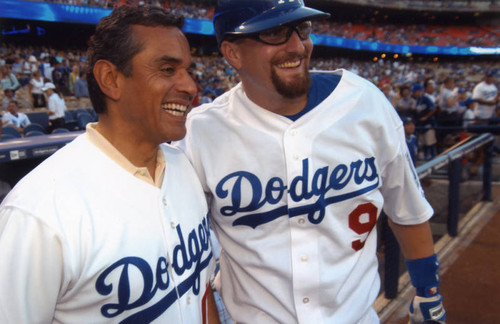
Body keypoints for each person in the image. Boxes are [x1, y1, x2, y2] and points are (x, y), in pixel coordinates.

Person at [174, 1, 446, 323]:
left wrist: (428, 288)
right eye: (275, 33)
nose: (297, 46)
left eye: (301, 29)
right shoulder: (201, 131)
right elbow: (189, 257)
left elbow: (407, 208)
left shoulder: (365, 103)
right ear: (233, 54)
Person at [0, 6, 219, 323]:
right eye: (168, 70)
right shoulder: (37, 212)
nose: (190, 87)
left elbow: (199, 290)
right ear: (110, 79)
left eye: (189, 71)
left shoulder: (182, 165)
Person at [412, 83, 437, 160]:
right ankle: (426, 157)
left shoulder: (426, 98)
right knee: (424, 142)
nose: (414, 93)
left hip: (429, 123)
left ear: (419, 91)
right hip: (421, 124)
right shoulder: (417, 100)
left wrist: (426, 117)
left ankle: (432, 157)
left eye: (415, 91)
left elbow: (433, 109)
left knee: (430, 142)